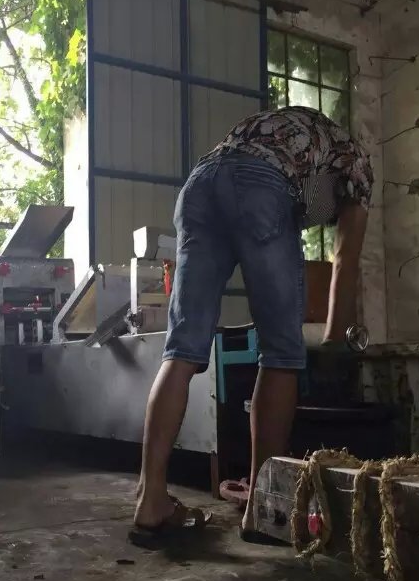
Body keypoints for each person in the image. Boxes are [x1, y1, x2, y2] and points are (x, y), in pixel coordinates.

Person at [130, 105, 373, 544]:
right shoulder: (356, 162)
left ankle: (150, 502)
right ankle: (263, 512)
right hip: (260, 187)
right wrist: (335, 343)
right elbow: (345, 259)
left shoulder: (292, 129)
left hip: (199, 186)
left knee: (181, 350)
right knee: (281, 355)